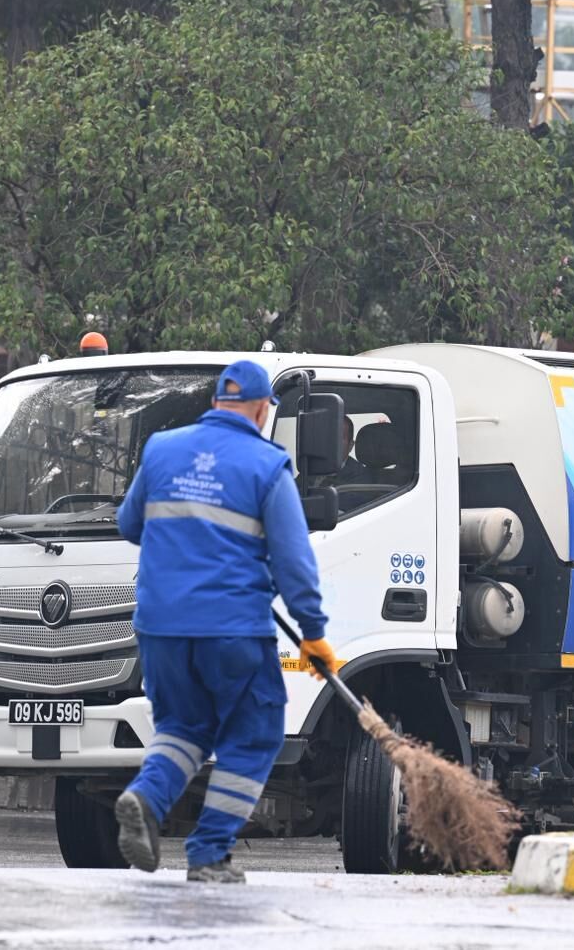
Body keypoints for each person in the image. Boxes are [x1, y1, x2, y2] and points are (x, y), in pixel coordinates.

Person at [112, 359, 333, 883]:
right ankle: (209, 853)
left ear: (217, 402)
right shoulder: (265, 465)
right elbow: (295, 564)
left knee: (185, 727)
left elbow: (128, 524)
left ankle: (145, 797)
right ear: (261, 409)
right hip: (231, 626)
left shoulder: (162, 450)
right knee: (255, 733)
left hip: (160, 626)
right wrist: (315, 634)